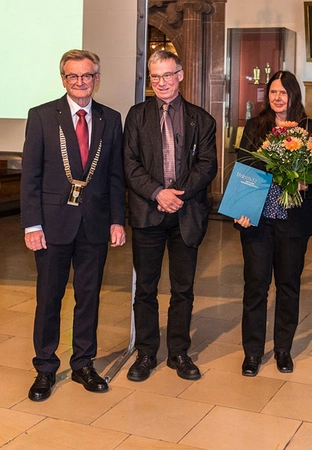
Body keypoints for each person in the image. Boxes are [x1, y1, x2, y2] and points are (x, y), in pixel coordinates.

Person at [20, 49, 126, 401]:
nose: (80, 82)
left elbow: (114, 176)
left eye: (87, 75)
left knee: (89, 297)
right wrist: (32, 224)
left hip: (95, 225)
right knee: (49, 299)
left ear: (97, 78)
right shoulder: (42, 116)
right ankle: (45, 367)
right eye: (72, 76)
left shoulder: (111, 119)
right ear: (63, 79)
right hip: (51, 225)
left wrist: (117, 219)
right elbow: (31, 176)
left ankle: (83, 363)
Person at [123, 50, 217, 382]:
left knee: (183, 289)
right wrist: (157, 193)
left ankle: (178, 352)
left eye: (167, 75)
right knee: (145, 289)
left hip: (186, 215)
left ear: (180, 75)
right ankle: (146, 353)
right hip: (147, 213)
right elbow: (129, 164)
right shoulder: (136, 116)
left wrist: (177, 195)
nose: (161, 82)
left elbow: (207, 166)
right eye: (155, 77)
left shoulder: (201, 119)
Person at [234, 71, 312, 377]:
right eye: (273, 92)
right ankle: (252, 353)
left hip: (293, 223)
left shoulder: (310, 128)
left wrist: (305, 185)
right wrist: (241, 208)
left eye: (283, 93)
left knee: (289, 286)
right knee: (255, 286)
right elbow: (243, 167)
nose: (277, 98)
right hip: (257, 220)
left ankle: (283, 349)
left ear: (294, 95)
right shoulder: (255, 126)